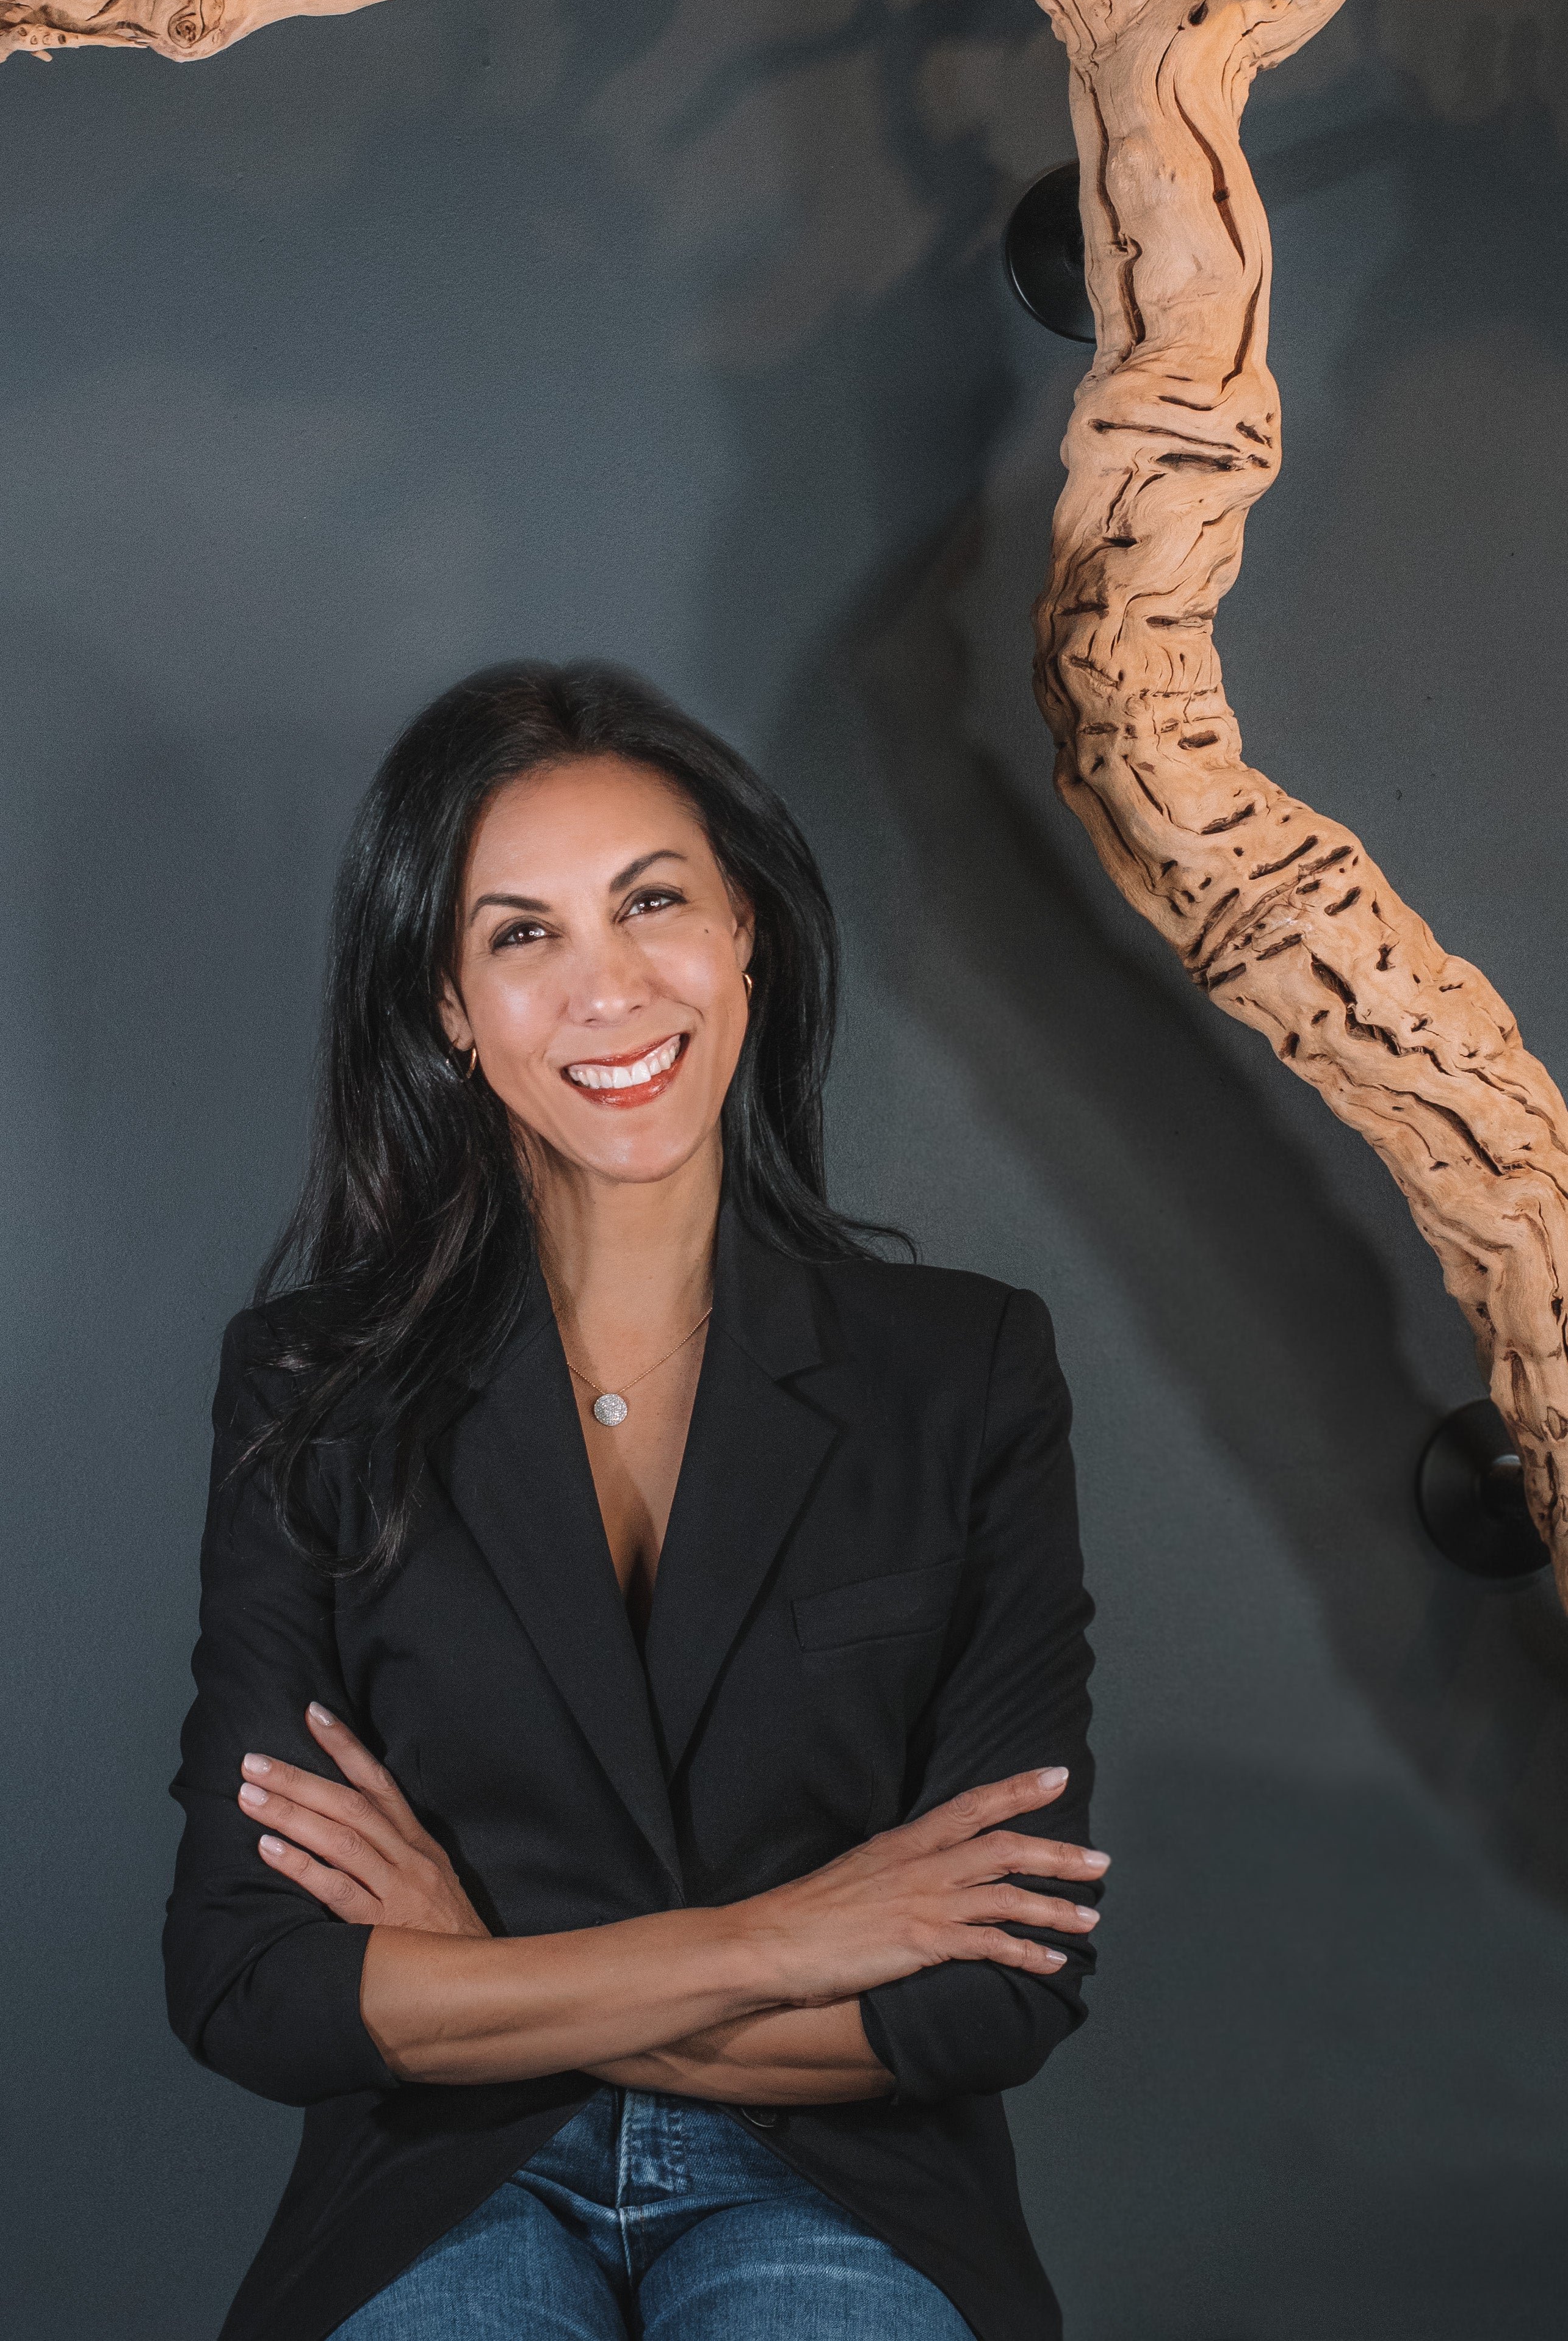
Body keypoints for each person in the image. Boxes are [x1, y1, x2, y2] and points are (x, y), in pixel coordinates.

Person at [164, 661, 1103, 2341]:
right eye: (520, 934)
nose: (607, 990)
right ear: (447, 1003)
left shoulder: (964, 1370)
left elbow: (991, 1992)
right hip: (442, 2175)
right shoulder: (310, 1386)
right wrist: (787, 1939)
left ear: (746, 929)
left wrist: (479, 1969)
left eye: (651, 902)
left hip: (845, 2176)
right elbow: (251, 1984)